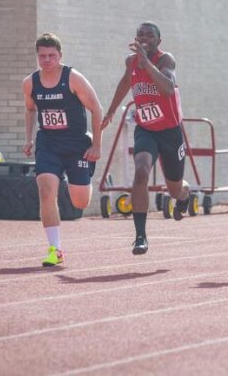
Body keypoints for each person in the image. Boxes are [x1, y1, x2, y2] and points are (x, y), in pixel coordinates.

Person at [101, 22, 190, 255]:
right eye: (140, 34)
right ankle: (140, 236)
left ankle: (184, 195)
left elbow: (168, 88)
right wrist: (111, 110)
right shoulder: (130, 62)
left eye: (149, 35)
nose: (144, 38)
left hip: (170, 132)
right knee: (141, 171)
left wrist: (146, 62)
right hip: (146, 129)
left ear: (158, 41)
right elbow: (125, 82)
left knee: (174, 190)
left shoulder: (165, 59)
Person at [22, 33, 103, 266]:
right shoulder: (30, 83)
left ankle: (84, 173)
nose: (47, 60)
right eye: (42, 56)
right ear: (37, 56)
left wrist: (96, 145)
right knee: (46, 190)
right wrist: (29, 139)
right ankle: (54, 249)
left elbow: (96, 109)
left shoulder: (73, 78)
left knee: (80, 203)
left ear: (60, 55)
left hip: (77, 145)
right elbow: (30, 110)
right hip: (48, 144)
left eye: (51, 56)